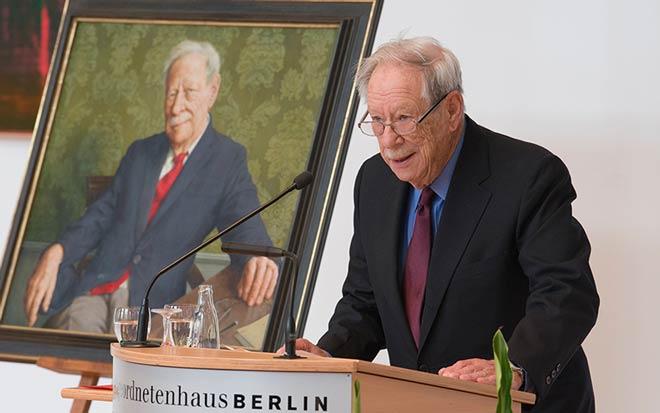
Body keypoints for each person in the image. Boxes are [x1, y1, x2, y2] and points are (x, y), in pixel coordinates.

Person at [289, 37, 599, 412]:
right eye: (377, 120)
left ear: (452, 109)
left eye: (404, 118)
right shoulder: (374, 181)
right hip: (420, 403)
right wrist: (330, 354)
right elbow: (365, 301)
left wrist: (513, 367)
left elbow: (566, 293)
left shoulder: (528, 176)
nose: (388, 141)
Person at [24, 40, 278, 333]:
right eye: (171, 93)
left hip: (152, 305)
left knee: (125, 364)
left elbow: (245, 223)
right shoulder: (140, 153)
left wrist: (258, 258)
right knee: (77, 338)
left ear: (212, 90)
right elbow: (100, 215)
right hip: (95, 288)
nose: (176, 105)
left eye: (188, 92)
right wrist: (58, 250)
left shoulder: (227, 160)